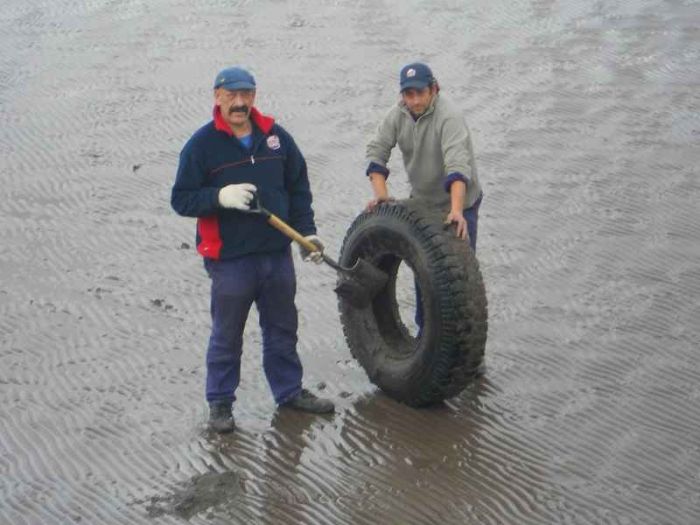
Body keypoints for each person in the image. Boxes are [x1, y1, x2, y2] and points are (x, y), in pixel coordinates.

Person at [171, 66, 334, 433]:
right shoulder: (202, 145)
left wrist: (307, 235)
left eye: (246, 95)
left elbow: (298, 189)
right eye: (232, 96)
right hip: (229, 260)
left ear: (255, 96)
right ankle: (220, 404)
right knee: (227, 334)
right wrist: (219, 197)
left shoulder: (276, 139)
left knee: (282, 328)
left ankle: (289, 392)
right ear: (217, 96)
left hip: (277, 254)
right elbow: (181, 199)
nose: (240, 103)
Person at [365, 62, 483, 330]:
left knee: (458, 279)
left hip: (460, 201)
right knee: (426, 272)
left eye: (420, 93)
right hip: (423, 202)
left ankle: (467, 346)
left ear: (433, 89)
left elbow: (457, 167)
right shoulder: (397, 115)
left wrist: (456, 211)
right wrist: (382, 197)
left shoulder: (448, 116)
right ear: (402, 96)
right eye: (409, 94)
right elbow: (376, 152)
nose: (415, 101)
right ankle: (426, 334)